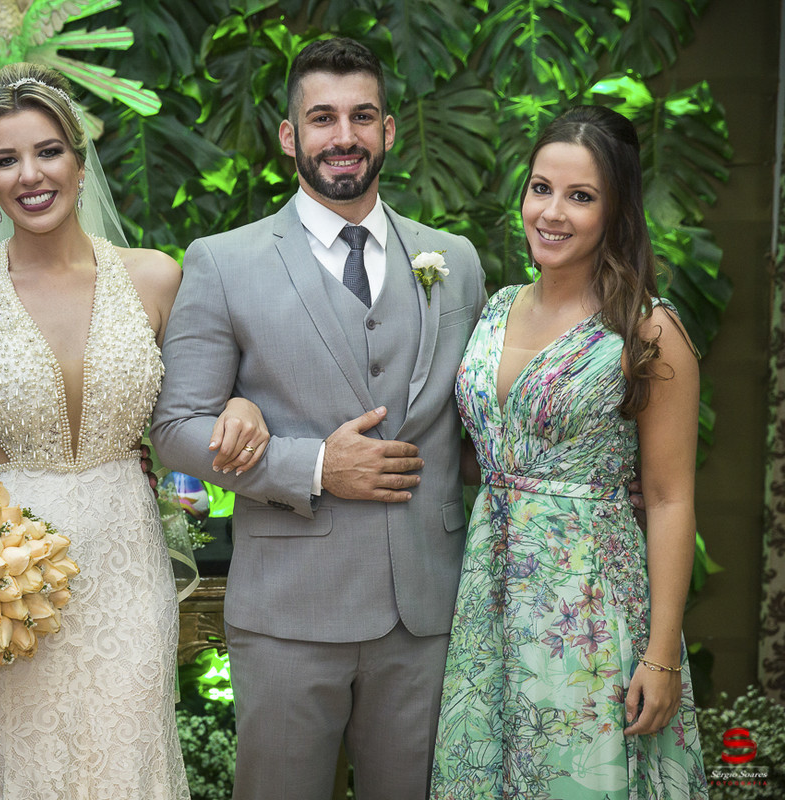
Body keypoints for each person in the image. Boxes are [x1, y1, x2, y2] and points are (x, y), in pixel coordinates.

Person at [0, 62, 268, 799]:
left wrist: (244, 405)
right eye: (6, 159)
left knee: (125, 761)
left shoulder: (157, 278)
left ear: (79, 159)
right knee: (17, 768)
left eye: (47, 151)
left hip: (126, 562)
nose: (30, 174)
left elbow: (203, 401)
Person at [150, 38, 487, 800]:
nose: (344, 136)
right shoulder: (223, 262)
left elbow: (474, 425)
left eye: (362, 116)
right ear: (289, 136)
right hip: (288, 615)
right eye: (323, 117)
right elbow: (176, 427)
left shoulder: (455, 260)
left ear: (389, 130)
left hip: (424, 613)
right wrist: (313, 467)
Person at [429, 105, 708, 798]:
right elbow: (491, 454)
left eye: (580, 196)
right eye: (540, 188)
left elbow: (671, 498)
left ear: (616, 211)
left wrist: (662, 654)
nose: (551, 212)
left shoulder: (647, 330)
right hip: (487, 603)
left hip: (585, 611)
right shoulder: (495, 308)